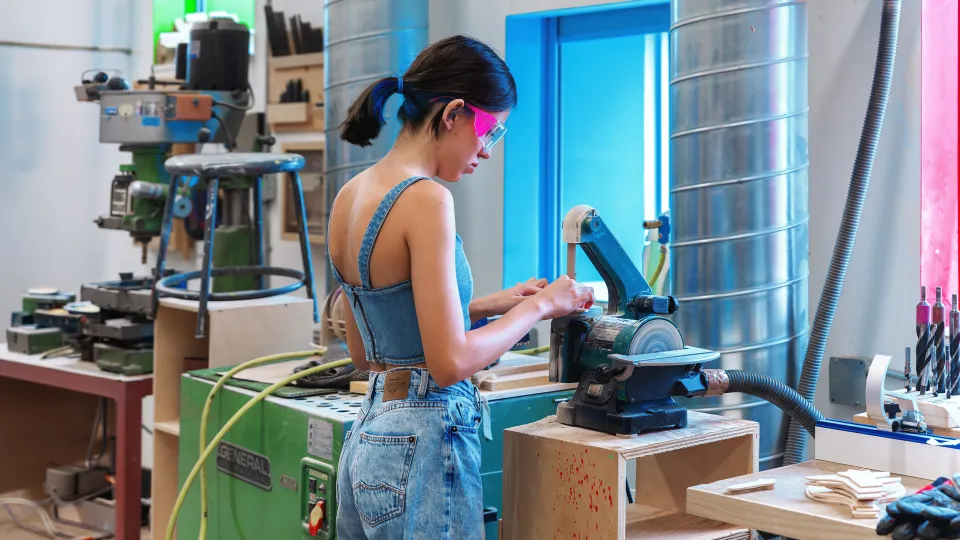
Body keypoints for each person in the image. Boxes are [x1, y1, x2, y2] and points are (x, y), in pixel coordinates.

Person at [327, 34, 596, 539]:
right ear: (452, 114)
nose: (488, 152)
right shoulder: (427, 199)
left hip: (369, 437)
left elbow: (370, 351)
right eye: (490, 131)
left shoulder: (350, 195)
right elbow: (448, 362)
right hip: (425, 441)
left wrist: (492, 305)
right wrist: (541, 305)